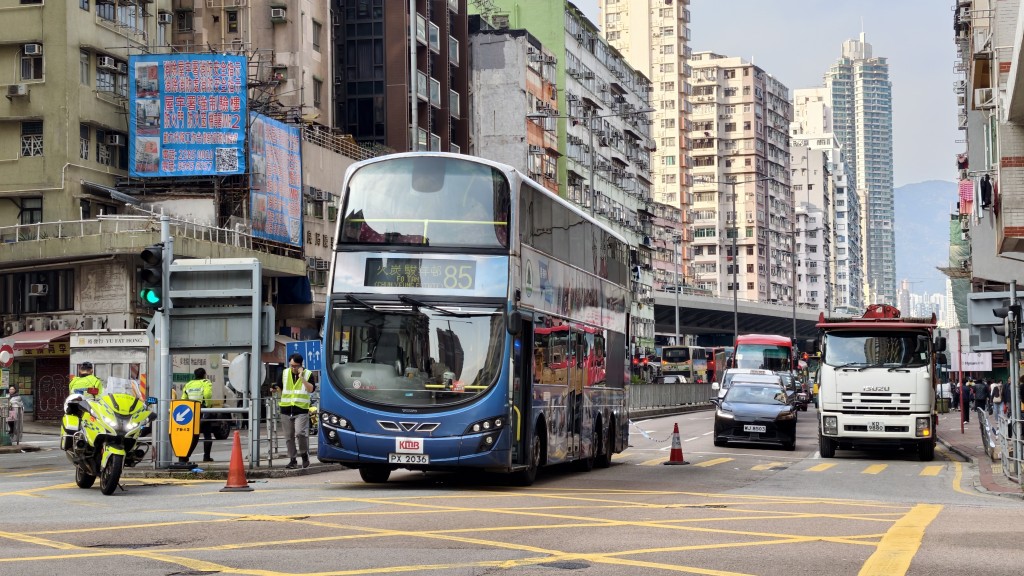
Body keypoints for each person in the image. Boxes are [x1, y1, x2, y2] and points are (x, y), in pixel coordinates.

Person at [272, 353, 317, 469]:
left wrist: (302, 378)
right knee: (288, 436)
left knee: (300, 433)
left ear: (301, 365)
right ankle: (293, 460)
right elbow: (280, 388)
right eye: (291, 365)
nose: (293, 368)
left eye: (296, 366)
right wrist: (274, 389)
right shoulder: (284, 373)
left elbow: (311, 389)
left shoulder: (308, 374)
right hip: (286, 409)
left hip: (301, 409)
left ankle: (304, 454)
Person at [182, 368, 214, 463]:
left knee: (192, 434)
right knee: (207, 434)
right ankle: (206, 456)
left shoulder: (189, 384)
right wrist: (207, 406)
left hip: (191, 410)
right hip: (202, 409)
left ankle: (185, 456)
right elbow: (207, 394)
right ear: (204, 375)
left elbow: (184, 398)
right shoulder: (205, 382)